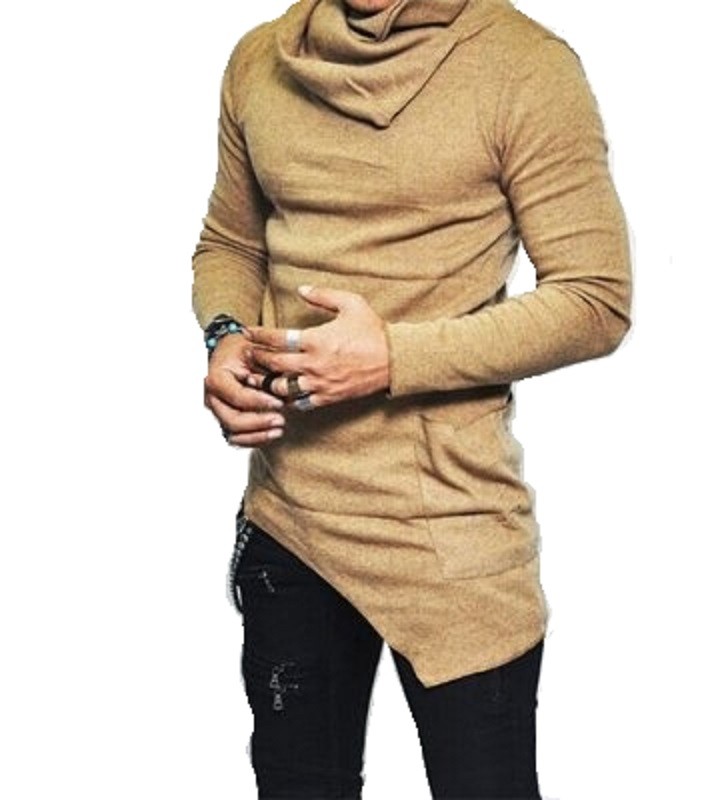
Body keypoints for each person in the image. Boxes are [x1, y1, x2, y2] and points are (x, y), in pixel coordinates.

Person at [192, 0, 632, 797]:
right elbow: (231, 241)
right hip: (290, 522)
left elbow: (595, 299)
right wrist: (224, 335)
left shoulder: (525, 67)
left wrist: (393, 357)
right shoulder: (260, 58)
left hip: (450, 535)